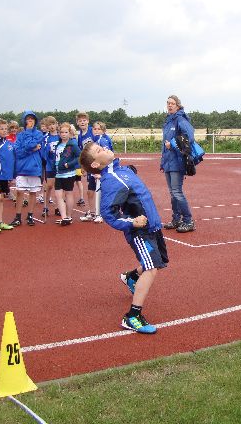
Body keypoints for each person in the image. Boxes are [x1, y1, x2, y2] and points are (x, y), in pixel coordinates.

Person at [80, 141, 168, 334]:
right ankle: (132, 316)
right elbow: (109, 214)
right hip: (140, 231)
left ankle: (131, 277)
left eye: (101, 146)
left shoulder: (122, 170)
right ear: (95, 164)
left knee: (159, 262)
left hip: (152, 225)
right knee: (151, 268)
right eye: (99, 150)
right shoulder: (111, 180)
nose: (104, 148)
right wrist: (132, 222)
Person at [161, 94, 196, 233]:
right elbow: (164, 145)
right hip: (168, 162)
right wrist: (163, 162)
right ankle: (176, 219)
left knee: (177, 192)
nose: (169, 105)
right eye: (168, 103)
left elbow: (190, 137)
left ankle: (188, 221)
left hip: (178, 161)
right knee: (172, 193)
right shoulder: (168, 121)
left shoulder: (181, 119)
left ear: (178, 105)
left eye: (172, 103)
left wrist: (173, 144)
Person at [10, 111, 44, 227]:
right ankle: (18, 217)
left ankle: (30, 216)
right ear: (24, 121)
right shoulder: (20, 135)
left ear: (35, 121)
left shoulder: (39, 134)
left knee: (33, 192)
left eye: (32, 119)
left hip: (34, 167)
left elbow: (31, 144)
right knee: (20, 192)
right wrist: (30, 150)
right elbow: (18, 151)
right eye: (28, 119)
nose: (30, 121)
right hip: (22, 167)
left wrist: (30, 142)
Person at [80, 121, 113, 223]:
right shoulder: (93, 141)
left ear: (103, 131)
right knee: (90, 191)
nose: (97, 131)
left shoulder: (103, 140)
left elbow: (107, 157)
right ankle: (92, 212)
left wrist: (101, 171)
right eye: (95, 129)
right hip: (93, 170)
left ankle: (101, 213)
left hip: (100, 170)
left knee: (101, 191)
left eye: (99, 129)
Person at [54, 122, 81, 226]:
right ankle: (64, 217)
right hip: (58, 173)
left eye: (66, 132)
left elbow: (79, 156)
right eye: (61, 132)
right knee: (58, 195)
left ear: (70, 133)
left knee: (69, 193)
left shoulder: (72, 145)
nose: (63, 134)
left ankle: (69, 216)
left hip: (69, 173)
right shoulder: (58, 144)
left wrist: (69, 164)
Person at [42, 116, 60, 217]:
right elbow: (43, 153)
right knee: (49, 185)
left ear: (56, 124)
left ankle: (58, 207)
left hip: (60, 165)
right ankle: (45, 206)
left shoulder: (60, 136)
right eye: (49, 125)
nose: (52, 126)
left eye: (53, 124)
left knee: (59, 187)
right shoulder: (46, 138)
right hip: (50, 165)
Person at [75, 112, 93, 207]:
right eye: (80, 121)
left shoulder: (92, 131)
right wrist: (82, 166)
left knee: (100, 185)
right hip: (89, 164)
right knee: (91, 187)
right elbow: (81, 152)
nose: (82, 122)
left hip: (97, 162)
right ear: (77, 123)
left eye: (84, 120)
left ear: (88, 121)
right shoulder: (80, 136)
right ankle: (93, 209)